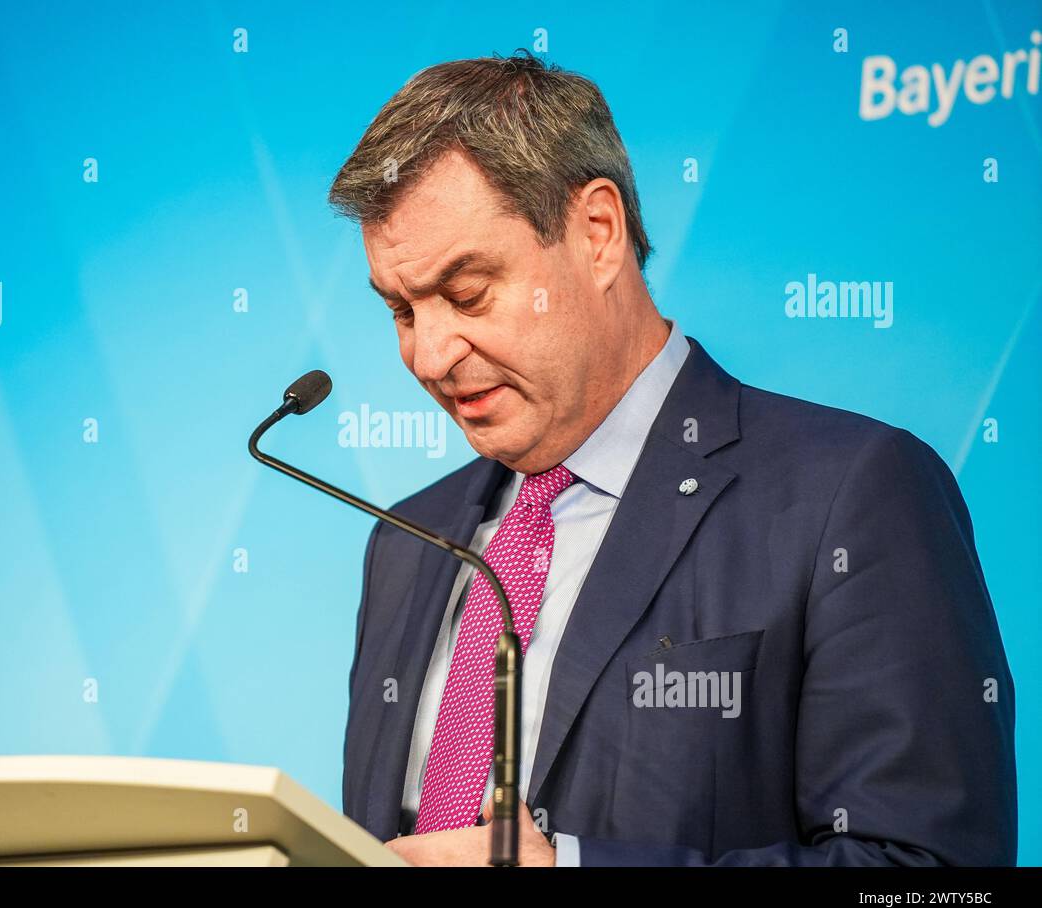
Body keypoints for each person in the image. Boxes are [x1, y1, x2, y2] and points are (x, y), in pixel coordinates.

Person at [327, 52, 1016, 866]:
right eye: (402, 310)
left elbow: (933, 887)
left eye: (468, 293)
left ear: (597, 233)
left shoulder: (854, 494)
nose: (431, 355)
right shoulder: (409, 538)